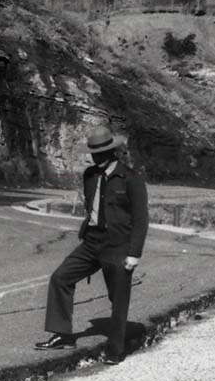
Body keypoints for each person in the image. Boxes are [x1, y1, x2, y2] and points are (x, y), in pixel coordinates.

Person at [35, 125, 149, 365]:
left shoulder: (131, 178)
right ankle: (63, 335)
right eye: (93, 152)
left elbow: (141, 219)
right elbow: (92, 207)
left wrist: (133, 253)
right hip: (91, 242)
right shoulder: (89, 176)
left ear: (112, 152)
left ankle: (116, 350)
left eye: (100, 152)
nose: (95, 157)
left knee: (117, 297)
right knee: (60, 278)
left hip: (118, 246)